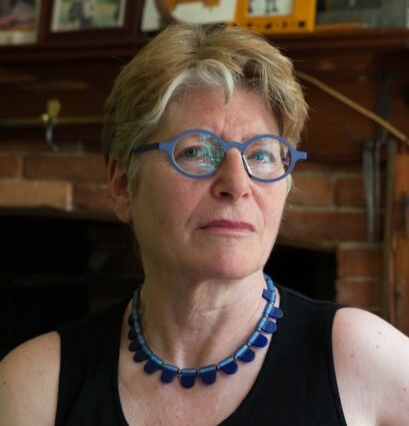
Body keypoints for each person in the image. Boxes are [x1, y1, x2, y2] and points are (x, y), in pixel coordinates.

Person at [1, 23, 409, 425]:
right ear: (123, 184)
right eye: (196, 151)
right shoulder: (35, 386)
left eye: (262, 155)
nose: (237, 184)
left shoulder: (365, 361)